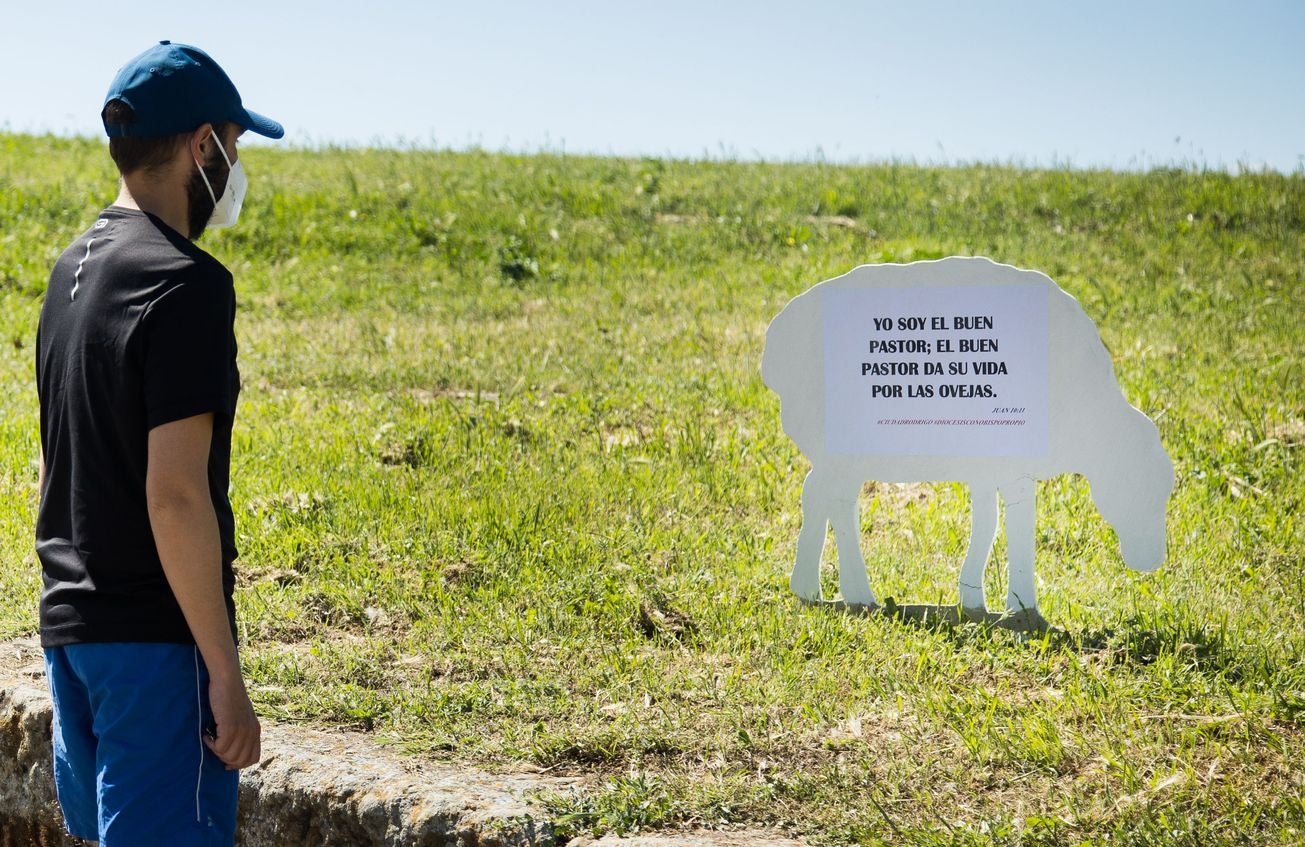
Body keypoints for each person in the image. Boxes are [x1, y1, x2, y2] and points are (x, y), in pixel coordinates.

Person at [35, 41, 283, 845]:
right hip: (153, 647)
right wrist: (223, 669)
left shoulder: (70, 272)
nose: (235, 171)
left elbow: (55, 461)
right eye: (235, 149)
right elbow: (174, 494)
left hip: (73, 636)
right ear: (201, 145)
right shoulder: (186, 284)